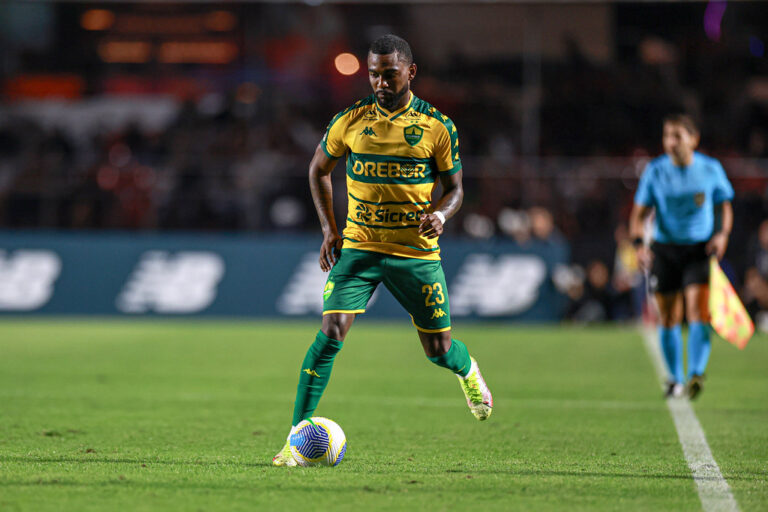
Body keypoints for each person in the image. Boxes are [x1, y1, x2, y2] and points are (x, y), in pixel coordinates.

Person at [272, 34, 493, 466]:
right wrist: (329, 230)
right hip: (359, 249)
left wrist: (442, 216)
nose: (380, 82)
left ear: (410, 72)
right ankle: (294, 437)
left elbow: (455, 190)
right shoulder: (351, 120)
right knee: (331, 331)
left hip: (415, 253)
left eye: (389, 74)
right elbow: (318, 169)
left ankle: (467, 370)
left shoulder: (436, 126)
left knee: (438, 350)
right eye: (373, 73)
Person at [629, 114, 734, 400]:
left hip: (698, 249)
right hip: (664, 250)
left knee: (699, 311)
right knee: (669, 317)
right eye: (667, 136)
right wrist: (639, 244)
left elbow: (725, 205)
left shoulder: (710, 169)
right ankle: (675, 380)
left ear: (693, 139)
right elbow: (638, 214)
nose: (671, 142)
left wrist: (722, 234)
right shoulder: (655, 171)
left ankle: (696, 373)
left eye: (677, 136)